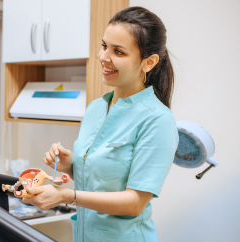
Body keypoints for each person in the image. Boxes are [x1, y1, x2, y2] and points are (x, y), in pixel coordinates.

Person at [22, 7, 179, 242]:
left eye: (119, 51)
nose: (104, 57)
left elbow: (134, 203)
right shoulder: (96, 108)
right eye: (104, 46)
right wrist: (70, 167)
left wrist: (66, 196)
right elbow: (103, 180)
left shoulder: (157, 120)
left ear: (149, 62)